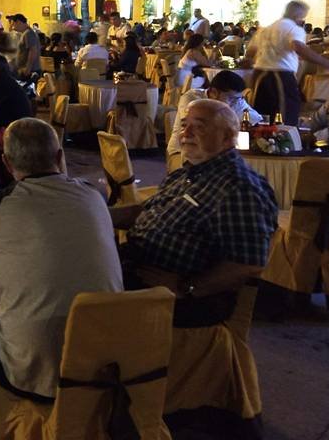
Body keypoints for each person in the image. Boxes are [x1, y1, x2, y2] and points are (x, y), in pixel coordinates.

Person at [0, 118, 121, 401]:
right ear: (60, 156)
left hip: (36, 369)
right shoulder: (93, 195)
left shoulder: (0, 204)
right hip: (105, 360)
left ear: (6, 162)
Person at [113, 99, 278, 326]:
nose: (186, 133)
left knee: (78, 293)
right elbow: (147, 210)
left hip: (183, 301)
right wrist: (99, 215)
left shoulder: (239, 187)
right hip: (137, 269)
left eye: (199, 127)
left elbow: (249, 263)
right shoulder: (190, 171)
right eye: (184, 125)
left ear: (228, 137)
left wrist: (188, 287)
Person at [245, 0, 329, 124]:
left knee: (262, 116)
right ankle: (285, 142)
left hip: (259, 75)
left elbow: (250, 52)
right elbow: (298, 46)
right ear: (297, 15)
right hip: (279, 76)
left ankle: (262, 142)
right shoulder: (293, 28)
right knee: (285, 116)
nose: (303, 20)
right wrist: (327, 63)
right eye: (303, 16)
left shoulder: (266, 29)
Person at [167, 70, 261, 167]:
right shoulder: (192, 98)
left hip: (216, 154)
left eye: (238, 99)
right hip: (184, 151)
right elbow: (198, 128)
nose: (236, 103)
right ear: (214, 93)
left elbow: (256, 119)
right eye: (231, 99)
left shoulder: (236, 100)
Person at [10, 14, 41, 79]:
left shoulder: (28, 33)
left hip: (29, 71)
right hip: (25, 69)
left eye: (13, 24)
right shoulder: (26, 33)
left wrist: (28, 68)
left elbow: (33, 51)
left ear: (18, 22)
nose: (13, 26)